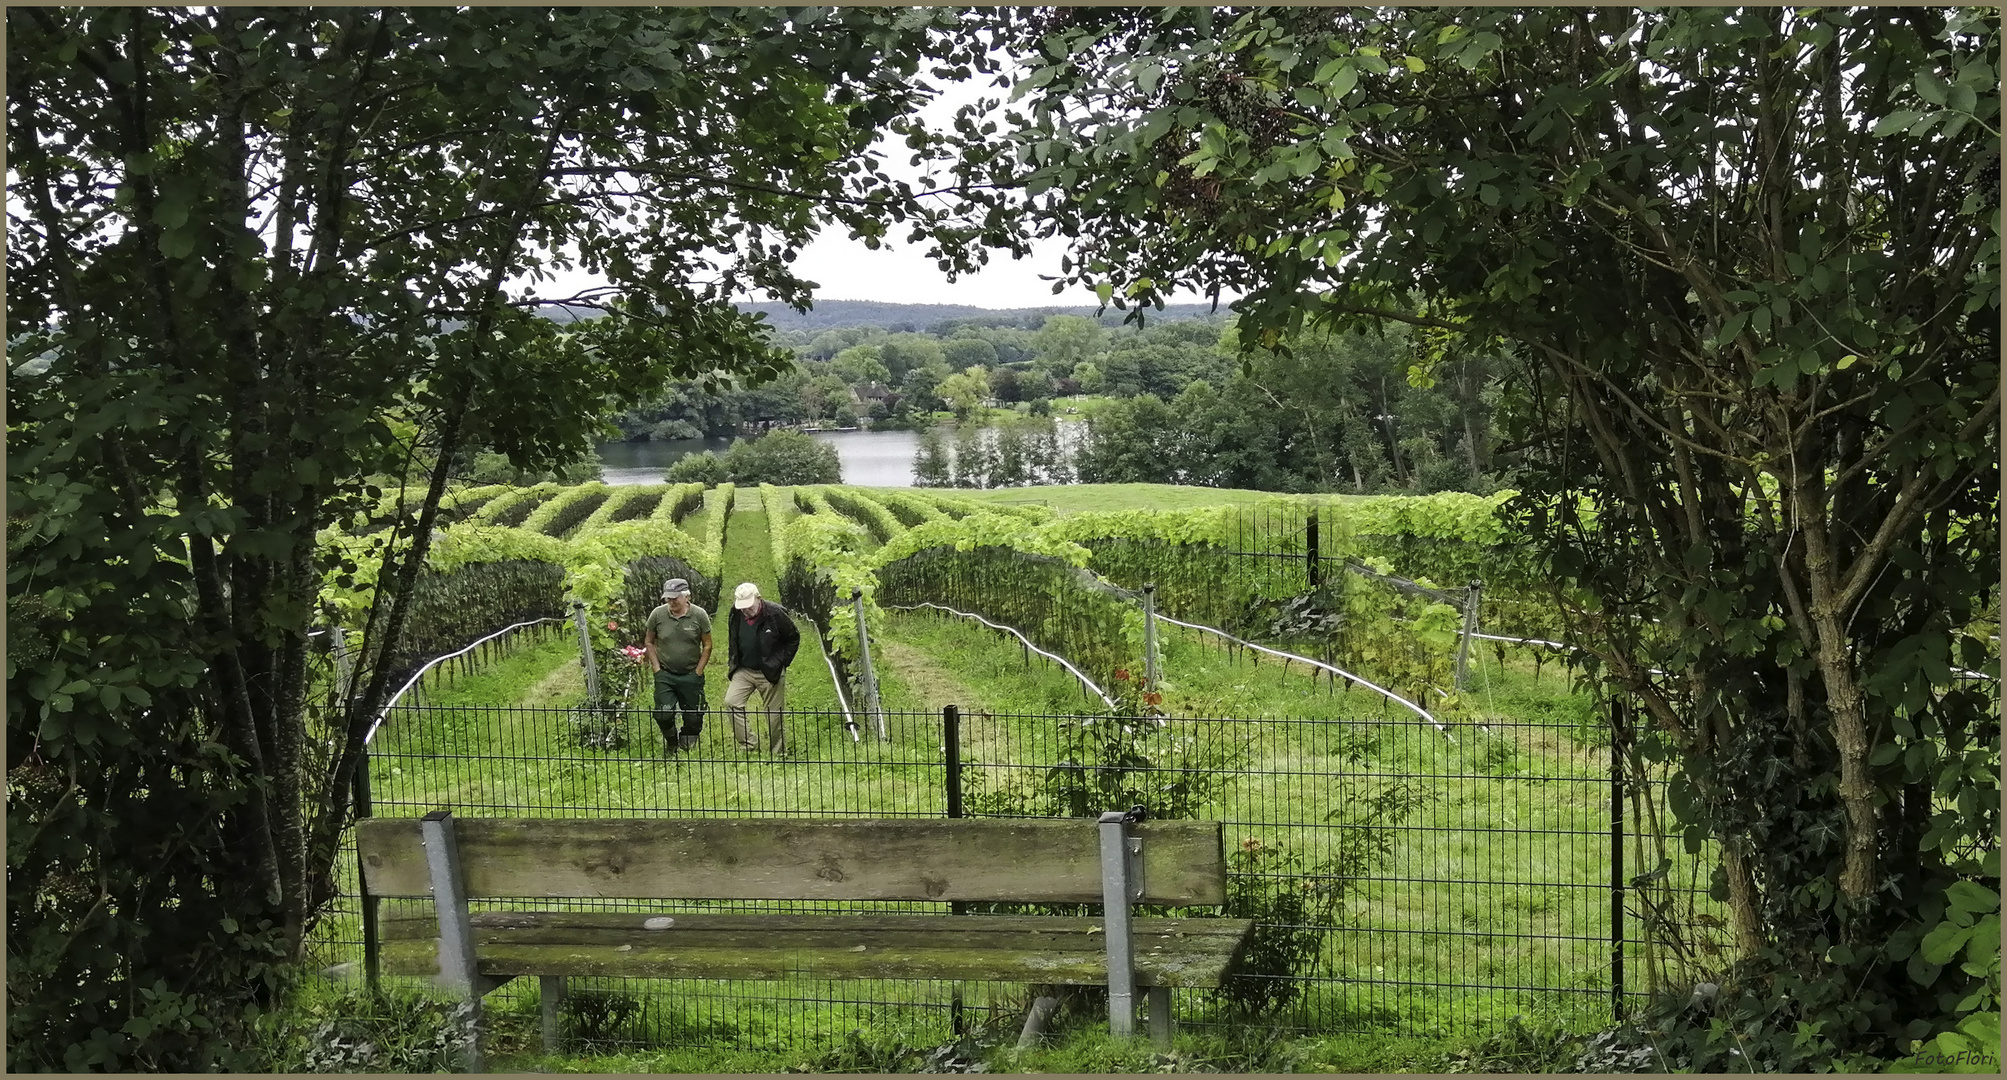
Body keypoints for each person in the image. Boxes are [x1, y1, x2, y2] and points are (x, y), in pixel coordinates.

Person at [723, 581, 800, 755]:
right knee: (731, 702)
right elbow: (733, 638)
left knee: (774, 715)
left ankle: (778, 753)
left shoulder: (776, 613)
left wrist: (781, 662)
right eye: (742, 607)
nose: (745, 611)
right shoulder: (735, 613)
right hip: (744, 669)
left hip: (769, 671)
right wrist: (733, 661)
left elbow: (793, 638)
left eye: (748, 607)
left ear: (759, 599)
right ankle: (749, 745)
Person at [644, 577, 712, 756]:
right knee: (663, 713)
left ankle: (686, 746)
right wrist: (656, 669)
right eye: (668, 597)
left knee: (694, 716)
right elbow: (649, 642)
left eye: (675, 597)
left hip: (691, 674)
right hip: (665, 674)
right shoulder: (657, 615)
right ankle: (672, 744)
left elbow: (707, 644)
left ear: (686, 596)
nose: (671, 601)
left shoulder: (699, 615)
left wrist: (698, 671)